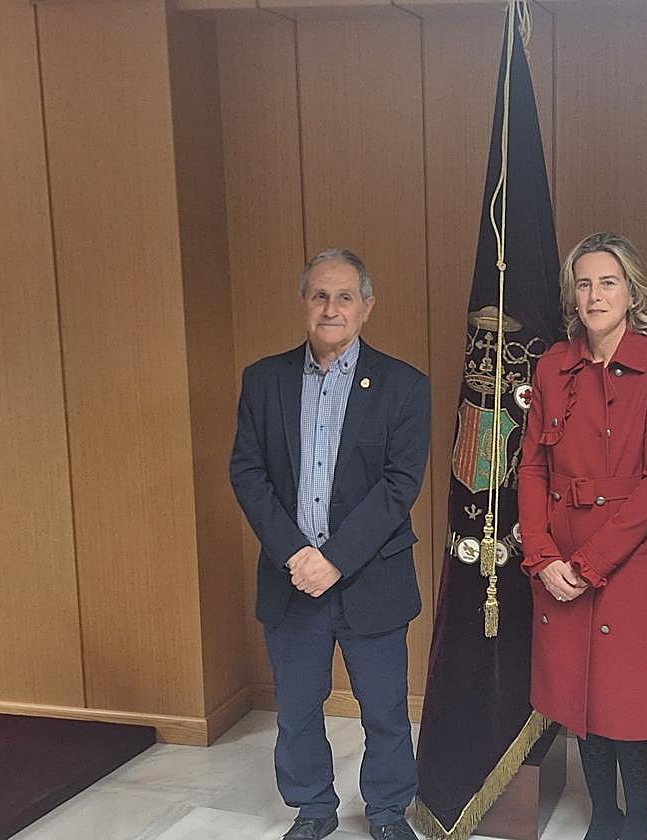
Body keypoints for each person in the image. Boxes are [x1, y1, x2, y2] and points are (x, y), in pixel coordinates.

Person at [230, 248, 430, 840]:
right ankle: (312, 806)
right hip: (291, 577)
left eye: (345, 297)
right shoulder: (263, 379)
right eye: (319, 295)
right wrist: (298, 555)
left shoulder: (403, 385)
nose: (331, 308)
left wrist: (335, 560)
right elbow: (247, 472)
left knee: (386, 711)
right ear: (303, 304)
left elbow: (400, 485)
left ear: (367, 307)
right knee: (295, 709)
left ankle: (389, 810)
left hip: (371, 578)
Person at [518, 232, 647, 840]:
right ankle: (603, 818)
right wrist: (541, 555)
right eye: (583, 283)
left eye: (607, 282)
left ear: (631, 290)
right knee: (580, 698)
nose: (594, 295)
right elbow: (532, 466)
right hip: (557, 555)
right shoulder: (551, 365)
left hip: (627, 558)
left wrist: (588, 565)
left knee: (627, 702)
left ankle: (636, 819)